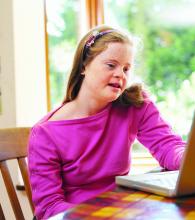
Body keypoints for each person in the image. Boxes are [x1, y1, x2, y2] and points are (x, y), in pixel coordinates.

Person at [28, 25, 185, 219]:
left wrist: (186, 157)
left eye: (127, 68)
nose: (121, 74)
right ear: (84, 66)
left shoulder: (134, 104)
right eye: (111, 65)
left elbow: (167, 145)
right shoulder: (46, 133)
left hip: (120, 210)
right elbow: (48, 208)